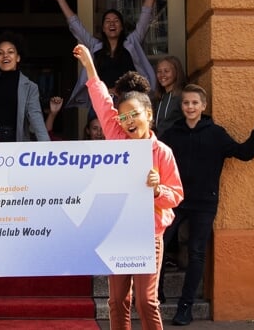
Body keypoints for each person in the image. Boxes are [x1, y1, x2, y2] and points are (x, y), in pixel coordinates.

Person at [72, 45, 183, 330]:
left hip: (149, 234)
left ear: (149, 114)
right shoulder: (116, 138)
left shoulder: (163, 153)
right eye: (122, 117)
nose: (127, 121)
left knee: (146, 302)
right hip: (118, 231)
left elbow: (176, 196)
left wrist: (158, 191)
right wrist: (90, 67)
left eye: (133, 114)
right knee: (117, 300)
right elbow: (101, 102)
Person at [157, 84, 254, 326]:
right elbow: (152, 156)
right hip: (173, 200)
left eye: (194, 103)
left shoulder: (215, 134)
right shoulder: (171, 134)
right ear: (182, 106)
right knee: (159, 245)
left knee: (197, 252)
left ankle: (185, 306)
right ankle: (155, 295)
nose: (190, 107)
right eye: (186, 103)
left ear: (203, 106)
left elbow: (244, 152)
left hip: (204, 202)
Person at [49, 0, 160, 109]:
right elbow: (76, 25)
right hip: (103, 103)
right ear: (103, 28)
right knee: (97, 130)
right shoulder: (95, 46)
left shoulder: (132, 42)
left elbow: (145, 17)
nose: (112, 23)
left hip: (128, 103)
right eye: (107, 21)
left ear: (122, 26)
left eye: (116, 20)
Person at [0, 2, 58, 142]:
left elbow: (37, 122)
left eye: (10, 52)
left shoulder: (30, 87)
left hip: (15, 145)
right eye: (0, 53)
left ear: (18, 57)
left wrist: (48, 154)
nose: (5, 56)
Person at [152, 56, 186, 134]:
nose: (162, 75)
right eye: (159, 71)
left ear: (176, 72)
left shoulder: (183, 97)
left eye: (166, 71)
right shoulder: (158, 99)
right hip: (159, 144)